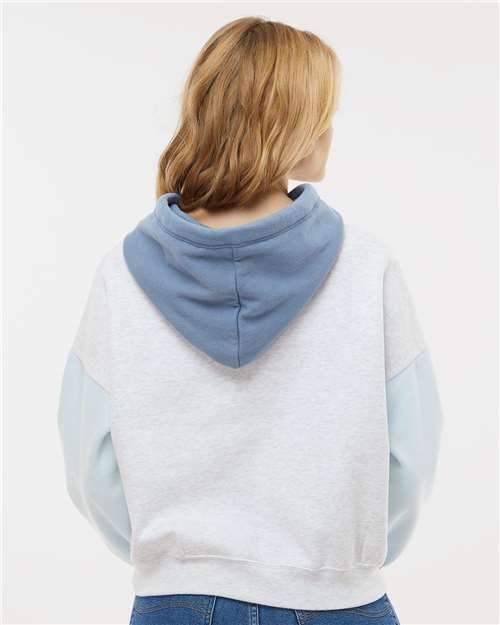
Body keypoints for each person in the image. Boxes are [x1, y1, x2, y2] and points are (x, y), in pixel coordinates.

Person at [57, 16, 443, 625]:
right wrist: (345, 558)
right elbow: (411, 457)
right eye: (322, 113)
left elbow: (91, 467)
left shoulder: (121, 275)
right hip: (337, 601)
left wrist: (175, 560)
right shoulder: (367, 268)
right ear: (290, 127)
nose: (330, 131)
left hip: (174, 602)